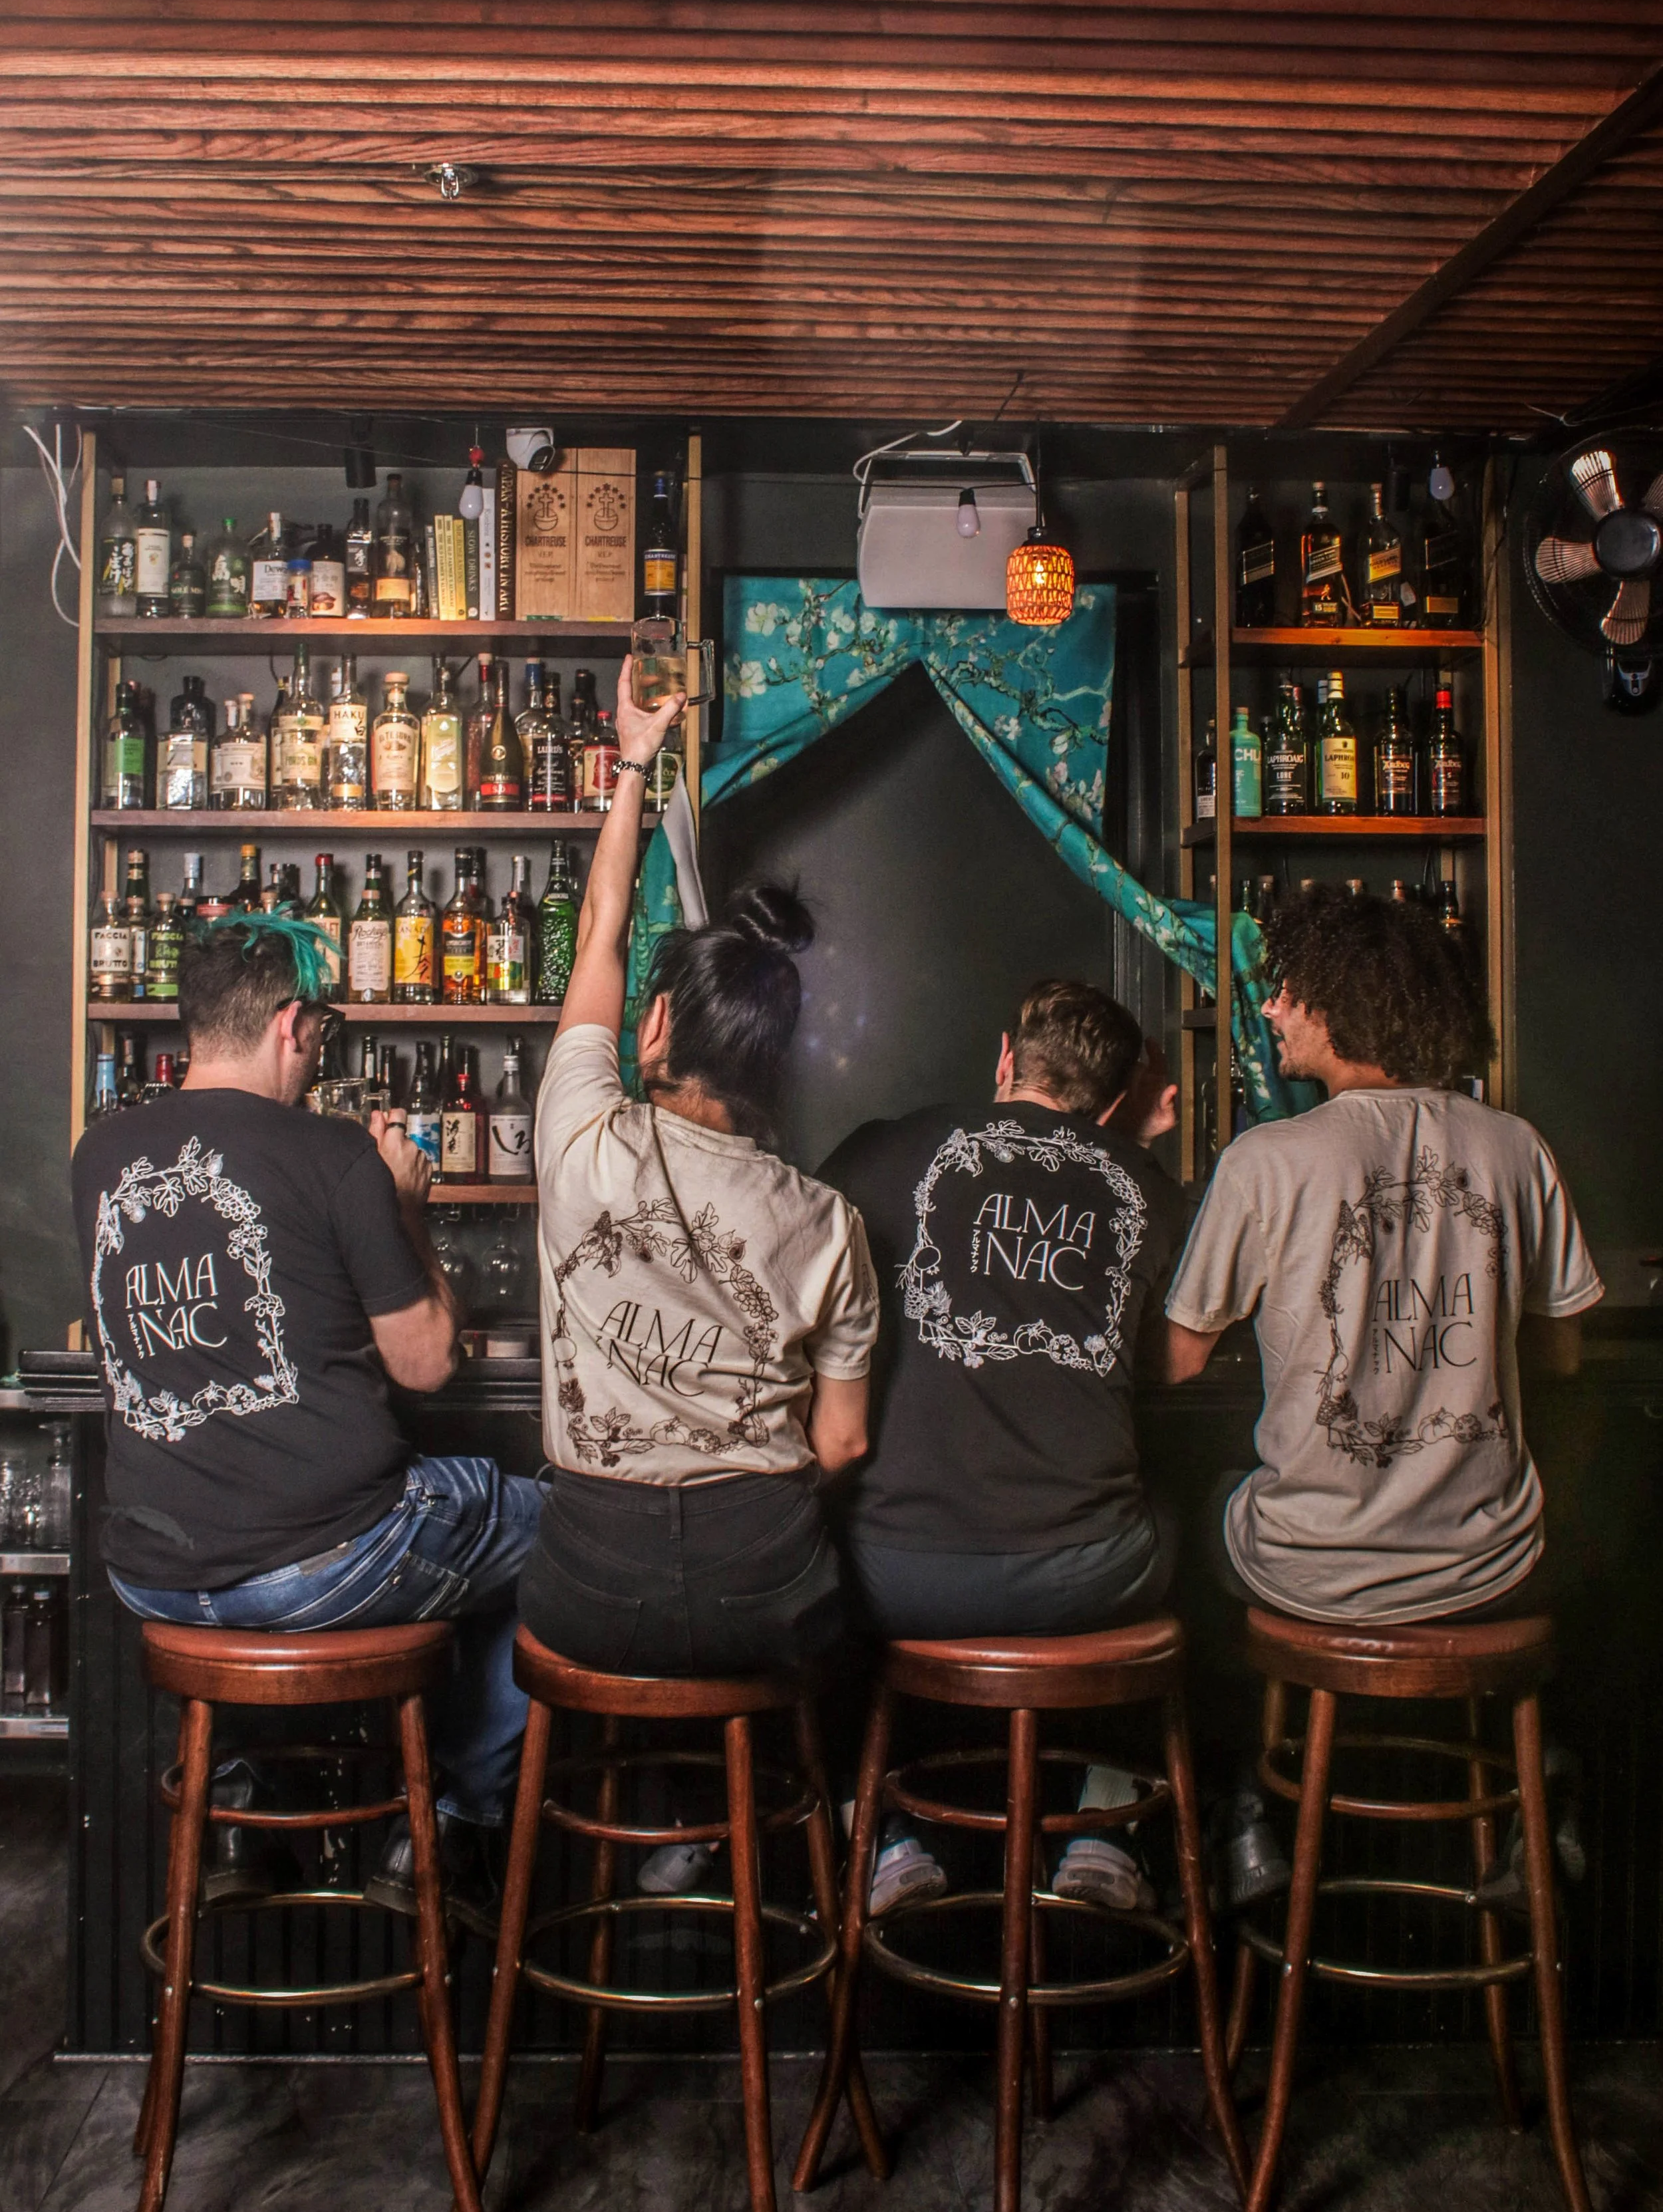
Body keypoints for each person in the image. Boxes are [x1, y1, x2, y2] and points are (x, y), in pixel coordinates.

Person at [71, 914, 541, 1920]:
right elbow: (425, 1364)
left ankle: (240, 1800)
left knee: (257, 1517)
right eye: (324, 1034)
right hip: (328, 1566)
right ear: (292, 1024)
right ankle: (448, 1827)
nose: (321, 1053)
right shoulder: (335, 1153)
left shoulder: (97, 1156)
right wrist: (407, 1204)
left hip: (152, 1577)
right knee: (575, 1532)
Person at [1161, 885, 1602, 1905]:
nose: (1268, 1012)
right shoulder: (1515, 1146)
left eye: (1284, 991)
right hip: (1489, 1568)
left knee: (1177, 1522)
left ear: (1339, 1001)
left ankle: (1246, 1801)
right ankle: (1533, 1792)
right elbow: (1566, 1359)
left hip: (1311, 1574)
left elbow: (1182, 1365)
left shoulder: (1265, 1161)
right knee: (1590, 1525)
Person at [519, 658, 879, 1895]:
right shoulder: (829, 1223)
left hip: (586, 1590)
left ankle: (672, 1830)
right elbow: (838, 1450)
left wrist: (630, 758)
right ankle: (814, 1844)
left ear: (654, 1032)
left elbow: (604, 929)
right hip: (767, 1594)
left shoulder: (577, 1132)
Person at [820, 981, 1190, 1913]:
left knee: (796, 1561)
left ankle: (879, 1831)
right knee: (1190, 1518)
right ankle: (1107, 1817)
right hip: (1086, 1579)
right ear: (1113, 1104)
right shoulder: (1147, 1185)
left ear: (1003, 1060)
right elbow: (1164, 1355)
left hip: (895, 1575)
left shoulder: (875, 1150)